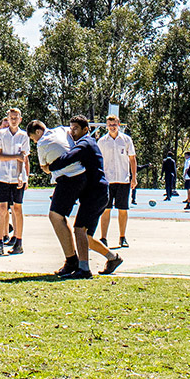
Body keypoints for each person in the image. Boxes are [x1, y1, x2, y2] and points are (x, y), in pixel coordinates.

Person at [36, 116, 125, 279]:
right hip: (94, 193)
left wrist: (49, 167)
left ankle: (84, 270)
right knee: (85, 236)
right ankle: (113, 258)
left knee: (79, 230)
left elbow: (69, 158)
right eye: (71, 128)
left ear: (85, 129)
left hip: (96, 193)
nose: (72, 132)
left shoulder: (86, 143)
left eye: (75, 128)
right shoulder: (82, 143)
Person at [0, 109, 30, 256]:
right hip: (3, 176)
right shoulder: (1, 135)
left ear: (20, 119)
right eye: (11, 117)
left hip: (16, 177)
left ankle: (19, 241)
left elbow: (23, 158)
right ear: (7, 118)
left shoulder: (23, 136)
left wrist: (22, 175)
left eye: (16, 118)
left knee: (17, 208)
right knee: (2, 208)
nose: (13, 120)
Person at [95, 114, 137, 247]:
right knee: (105, 209)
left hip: (123, 179)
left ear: (119, 124)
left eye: (114, 124)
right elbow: (98, 160)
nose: (112, 127)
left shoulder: (126, 140)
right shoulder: (102, 142)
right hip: (107, 180)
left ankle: (122, 237)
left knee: (123, 209)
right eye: (110, 125)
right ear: (106, 126)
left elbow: (132, 159)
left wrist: (134, 177)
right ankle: (103, 238)